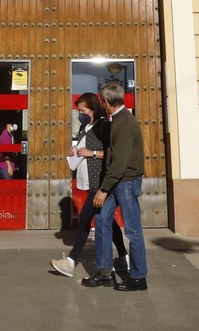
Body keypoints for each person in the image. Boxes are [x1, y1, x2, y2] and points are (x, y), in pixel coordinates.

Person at [50, 93, 125, 277]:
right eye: (78, 110)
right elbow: (83, 147)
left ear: (93, 108)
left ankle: (71, 261)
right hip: (88, 179)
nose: (80, 113)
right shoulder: (85, 126)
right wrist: (75, 151)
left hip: (99, 180)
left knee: (84, 219)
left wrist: (91, 153)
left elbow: (112, 153)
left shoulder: (103, 125)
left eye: (83, 110)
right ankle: (124, 257)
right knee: (109, 220)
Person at [82, 81, 147, 291]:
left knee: (133, 231)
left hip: (125, 182)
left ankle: (138, 277)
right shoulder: (117, 120)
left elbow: (120, 161)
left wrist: (103, 189)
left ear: (106, 101)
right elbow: (112, 155)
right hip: (116, 181)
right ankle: (105, 272)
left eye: (102, 101)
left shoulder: (125, 123)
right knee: (102, 221)